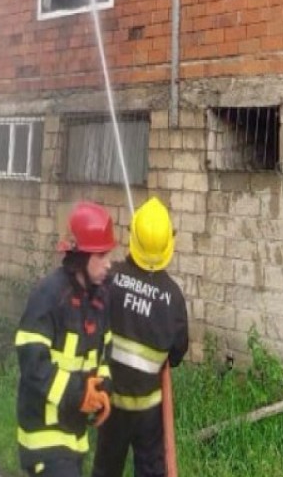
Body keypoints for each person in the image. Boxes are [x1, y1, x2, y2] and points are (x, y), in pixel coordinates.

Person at [16, 201, 116, 477]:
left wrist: (102, 390)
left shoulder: (99, 299)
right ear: (81, 257)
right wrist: (80, 393)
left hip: (74, 436)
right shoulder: (49, 296)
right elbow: (33, 365)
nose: (109, 263)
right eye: (101, 255)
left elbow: (105, 353)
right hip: (45, 436)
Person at [92, 197, 188, 477]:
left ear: (133, 238)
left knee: (106, 470)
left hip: (110, 403)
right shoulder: (173, 297)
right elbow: (177, 353)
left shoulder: (111, 278)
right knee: (150, 471)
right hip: (148, 411)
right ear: (168, 245)